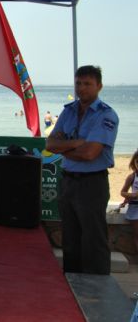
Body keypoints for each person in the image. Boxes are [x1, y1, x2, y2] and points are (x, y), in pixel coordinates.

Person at [46, 65, 119, 274]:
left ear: (99, 86)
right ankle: (72, 283)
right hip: (68, 181)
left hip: (92, 183)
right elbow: (50, 144)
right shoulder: (68, 111)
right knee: (70, 239)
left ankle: (97, 286)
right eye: (78, 83)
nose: (82, 88)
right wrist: (78, 143)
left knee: (94, 239)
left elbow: (90, 153)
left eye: (88, 84)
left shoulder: (106, 115)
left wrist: (65, 147)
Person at [120, 150, 138, 252]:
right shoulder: (132, 177)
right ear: (134, 163)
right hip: (135, 209)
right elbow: (123, 192)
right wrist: (132, 195)